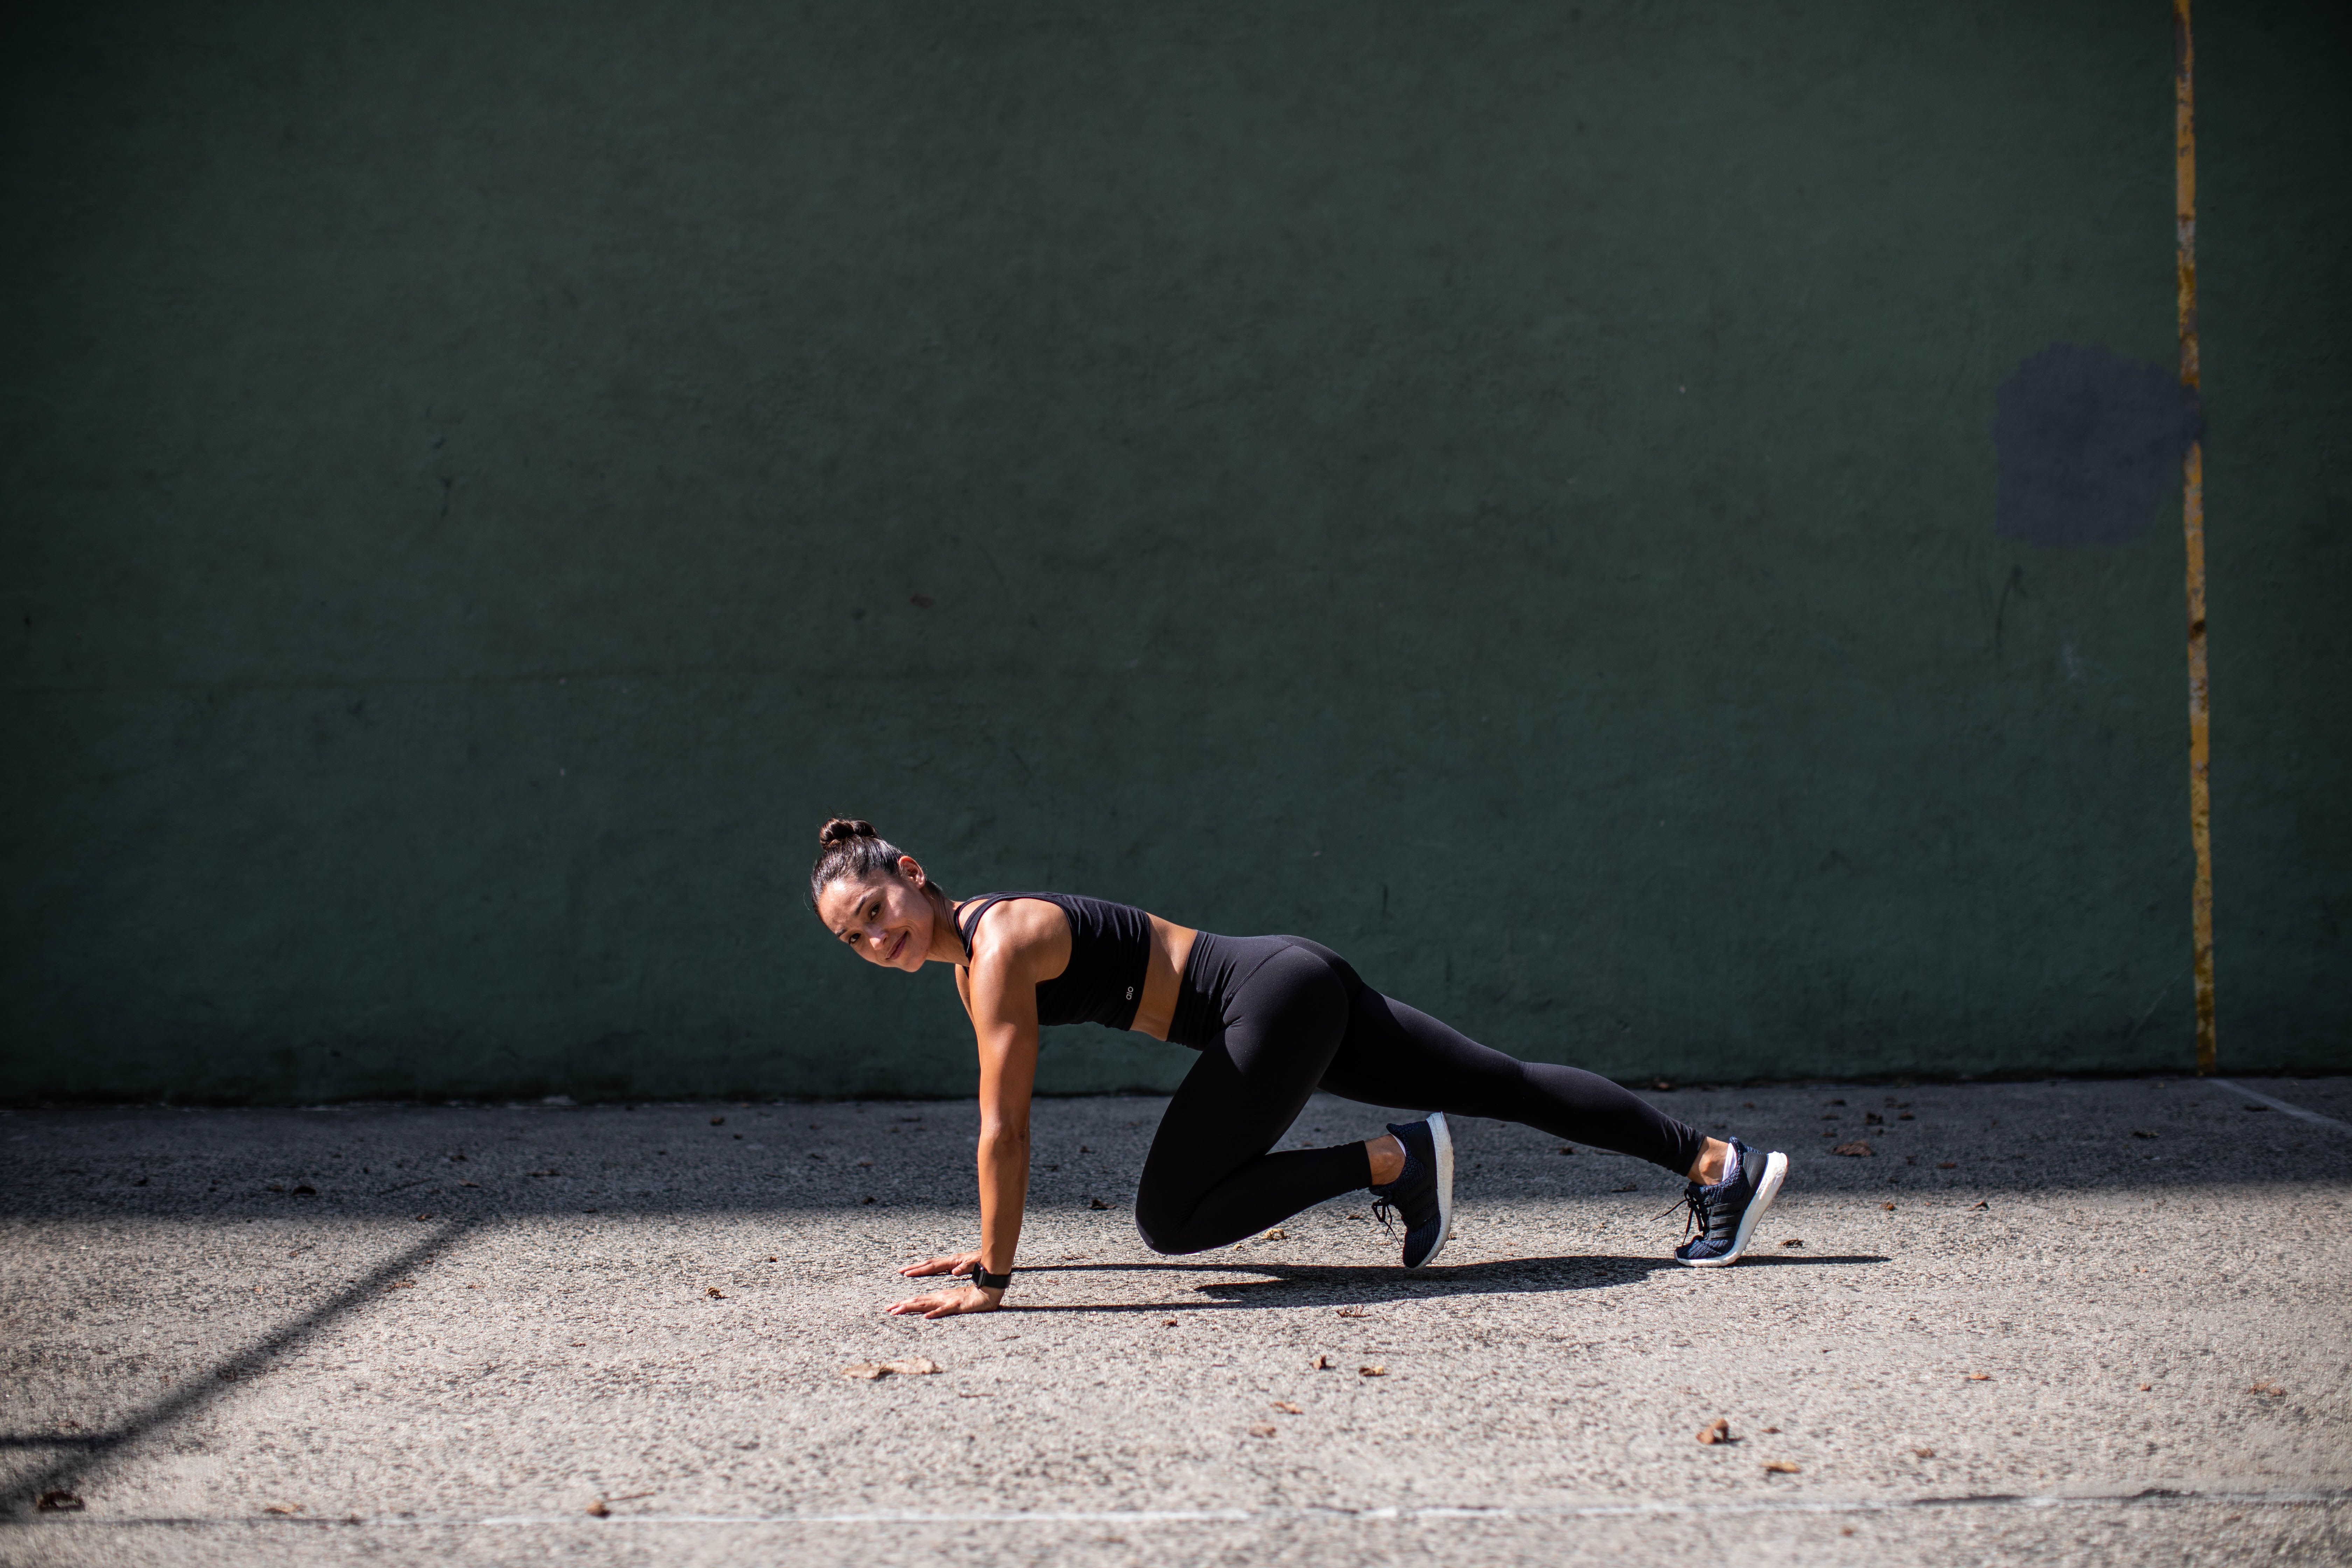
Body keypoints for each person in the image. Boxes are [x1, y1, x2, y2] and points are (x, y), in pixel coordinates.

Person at [807, 818, 1789, 1319]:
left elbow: (1005, 1129)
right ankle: (1718, 1164)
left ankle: (1395, 1163)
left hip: (1262, 1002)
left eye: (878, 912)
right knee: (1499, 1082)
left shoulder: (1002, 945)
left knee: (1173, 1218)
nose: (876, 938)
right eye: (855, 940)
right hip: (1285, 980)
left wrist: (993, 1275)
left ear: (914, 876)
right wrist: (986, 1245)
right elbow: (1005, 1130)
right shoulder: (973, 958)